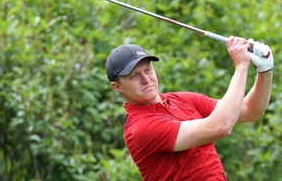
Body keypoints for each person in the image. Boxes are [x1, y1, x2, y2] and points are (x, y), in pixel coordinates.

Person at [105, 36, 273, 180]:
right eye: (134, 76)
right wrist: (241, 67)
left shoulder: (182, 99)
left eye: (148, 70)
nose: (146, 79)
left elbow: (248, 111)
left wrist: (265, 70)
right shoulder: (140, 128)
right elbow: (220, 127)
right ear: (117, 86)